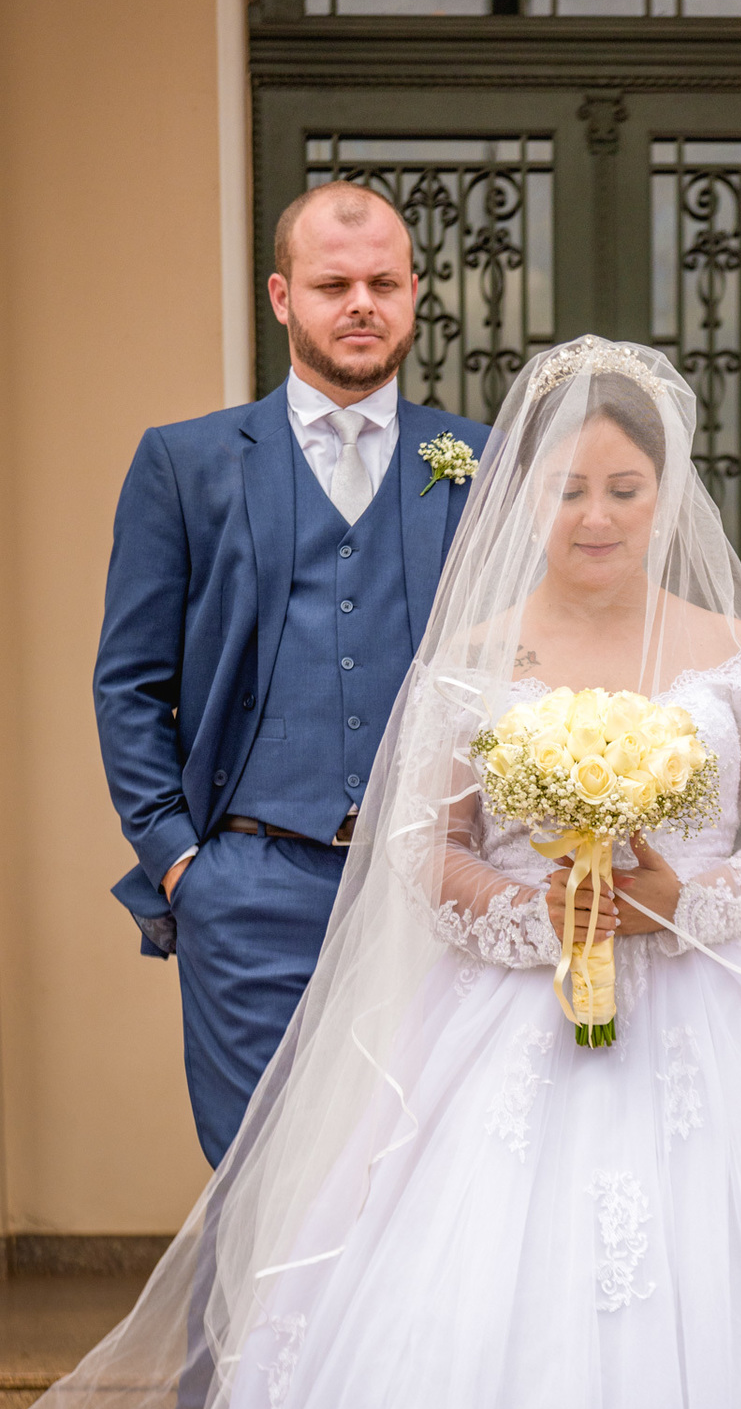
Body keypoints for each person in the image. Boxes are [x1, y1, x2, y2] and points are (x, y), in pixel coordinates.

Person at [6, 339, 741, 1409]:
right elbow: (423, 845)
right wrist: (542, 914)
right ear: (522, 495)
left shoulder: (731, 651)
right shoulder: (474, 656)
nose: (594, 517)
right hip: (512, 1021)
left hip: (721, 1026)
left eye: (624, 488)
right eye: (566, 489)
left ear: (667, 493)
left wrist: (680, 904)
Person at [93, 180, 487, 1166]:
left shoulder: (480, 466)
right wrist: (182, 866)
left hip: (432, 890)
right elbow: (132, 683)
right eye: (332, 283)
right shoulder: (185, 465)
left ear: (413, 293)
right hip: (250, 884)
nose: (361, 303)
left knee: (421, 1189)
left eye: (382, 282)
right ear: (282, 298)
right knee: (260, 1181)